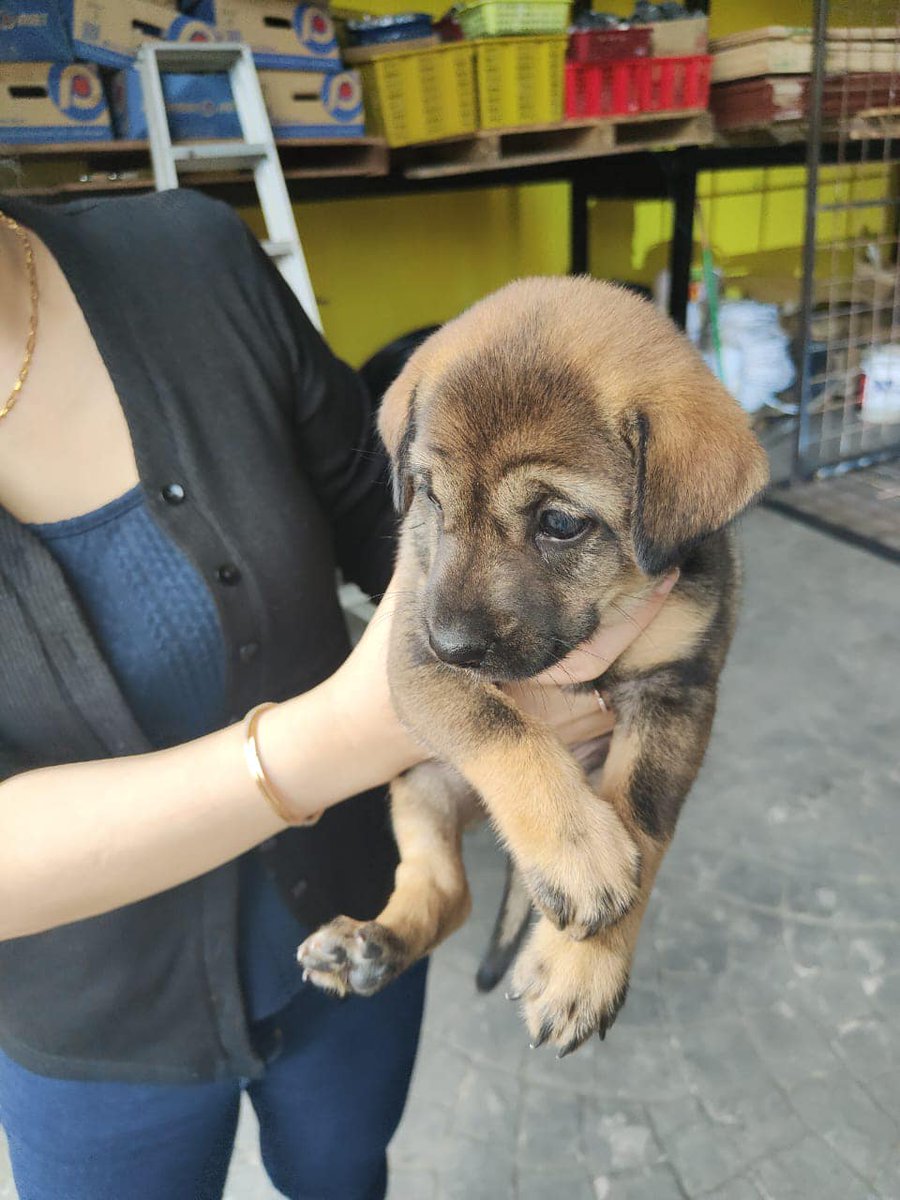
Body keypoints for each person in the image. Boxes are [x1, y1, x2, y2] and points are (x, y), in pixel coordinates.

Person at [0, 189, 675, 1200]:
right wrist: (355, 735)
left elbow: (384, 502)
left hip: (356, 920)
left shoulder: (187, 254)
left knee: (346, 1176)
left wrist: (598, 640)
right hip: (96, 1023)